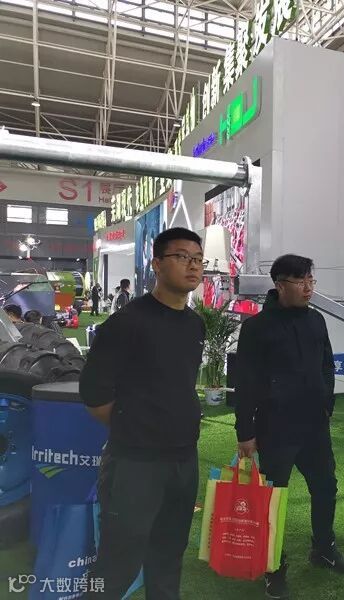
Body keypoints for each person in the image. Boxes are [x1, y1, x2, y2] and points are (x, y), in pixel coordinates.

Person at [79, 227, 206, 599]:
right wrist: (134, 426)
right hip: (136, 464)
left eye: (198, 259)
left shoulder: (194, 324)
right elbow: (94, 393)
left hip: (183, 460)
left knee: (168, 557)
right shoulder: (128, 322)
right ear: (157, 264)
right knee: (118, 564)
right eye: (182, 257)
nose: (193, 266)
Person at [235, 254, 344, 600]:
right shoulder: (257, 328)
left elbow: (327, 364)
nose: (308, 288)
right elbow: (245, 383)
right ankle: (274, 566)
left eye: (311, 281)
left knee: (325, 487)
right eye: (301, 281)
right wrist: (245, 432)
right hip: (275, 427)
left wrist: (327, 403)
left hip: (314, 425)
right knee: (273, 498)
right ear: (280, 285)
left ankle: (323, 548)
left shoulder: (316, 320)